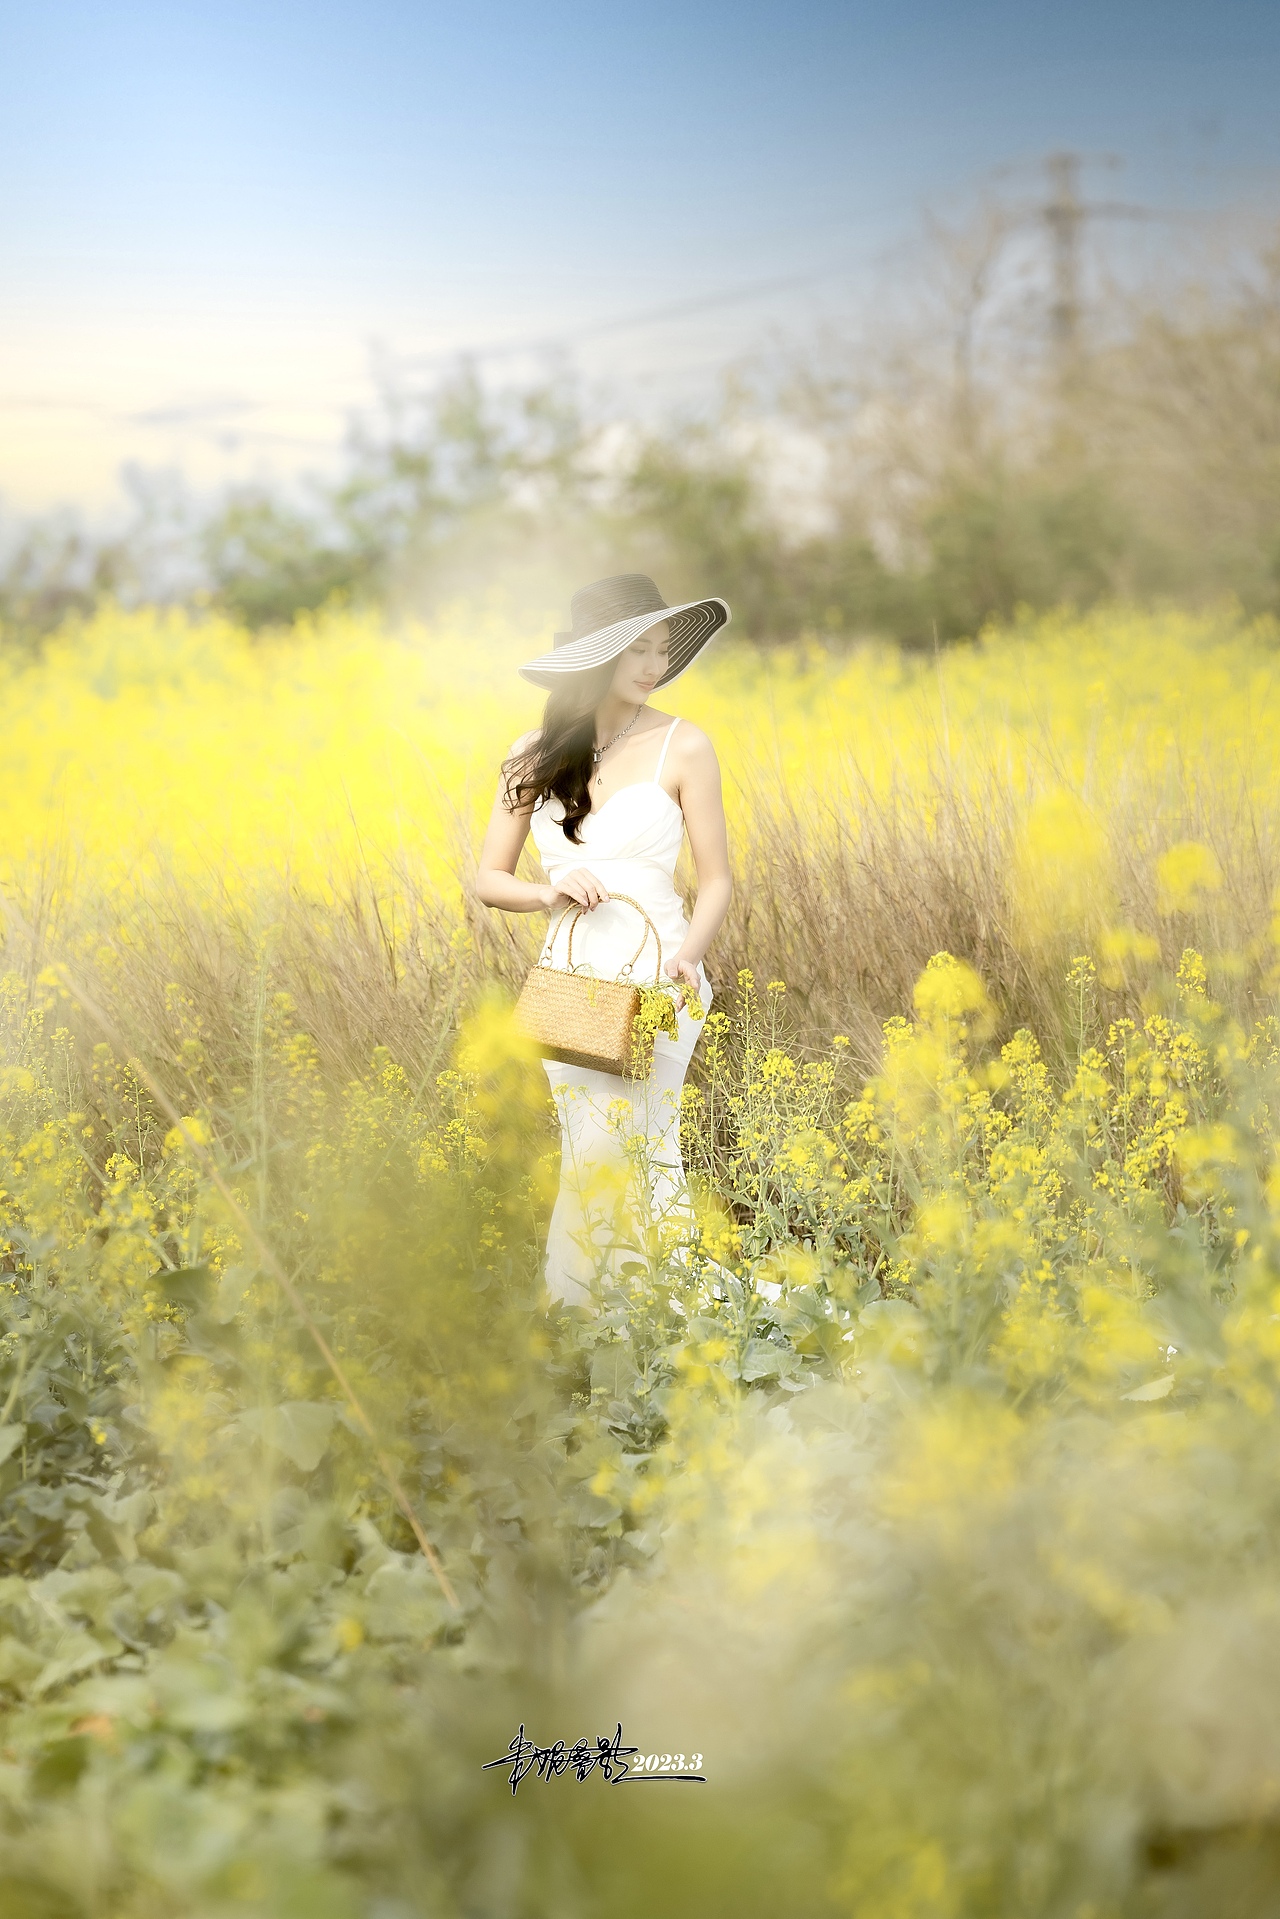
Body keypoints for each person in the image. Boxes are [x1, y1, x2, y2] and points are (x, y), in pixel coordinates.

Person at [476, 573, 733, 1308]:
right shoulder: (535, 750)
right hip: (571, 981)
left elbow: (716, 880)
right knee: (586, 1154)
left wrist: (691, 954)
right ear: (598, 655)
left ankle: (659, 1319)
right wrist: (546, 891)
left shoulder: (684, 745)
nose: (653, 666)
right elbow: (488, 877)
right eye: (636, 651)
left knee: (647, 1153)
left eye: (661, 650)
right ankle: (594, 1327)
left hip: (664, 976)